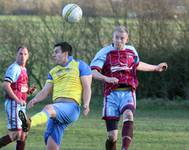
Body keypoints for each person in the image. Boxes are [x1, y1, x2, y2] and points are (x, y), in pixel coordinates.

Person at [90, 26, 168, 150]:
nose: (119, 41)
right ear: (113, 38)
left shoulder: (131, 51)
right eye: (117, 38)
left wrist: (155, 67)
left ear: (127, 39)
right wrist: (107, 78)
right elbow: (93, 72)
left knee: (129, 115)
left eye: (122, 38)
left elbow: (137, 65)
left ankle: (125, 148)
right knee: (112, 137)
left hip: (128, 92)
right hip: (111, 95)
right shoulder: (104, 52)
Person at [19, 42, 92, 150]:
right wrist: (35, 99)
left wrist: (86, 103)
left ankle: (29, 123)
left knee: (48, 108)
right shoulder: (53, 71)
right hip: (57, 112)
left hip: (71, 108)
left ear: (65, 53)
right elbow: (45, 91)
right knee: (50, 144)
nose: (53, 55)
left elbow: (87, 87)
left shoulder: (79, 65)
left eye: (56, 52)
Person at [0, 46, 35, 150]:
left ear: (28, 56)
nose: (23, 56)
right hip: (13, 104)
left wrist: (27, 91)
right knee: (16, 134)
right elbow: (6, 85)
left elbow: (18, 87)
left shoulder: (24, 69)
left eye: (25, 54)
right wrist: (17, 99)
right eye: (20, 53)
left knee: (24, 133)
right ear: (16, 55)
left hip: (20, 105)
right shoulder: (14, 68)